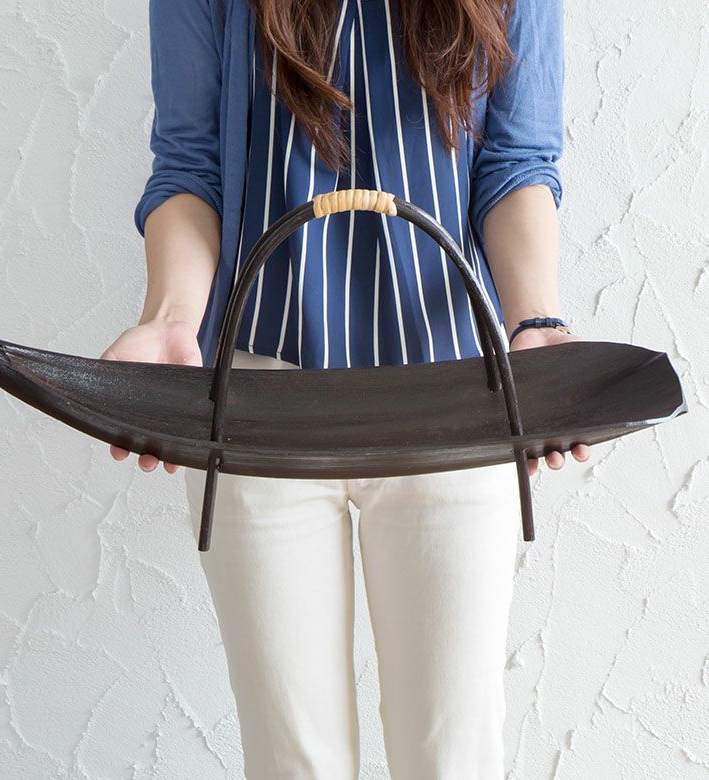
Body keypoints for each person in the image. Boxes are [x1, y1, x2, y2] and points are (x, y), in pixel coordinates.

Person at [102, 0, 591, 776]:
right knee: (292, 762)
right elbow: (190, 164)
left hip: (454, 401)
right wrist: (169, 320)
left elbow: (516, 162)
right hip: (259, 408)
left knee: (453, 758)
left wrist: (536, 323)